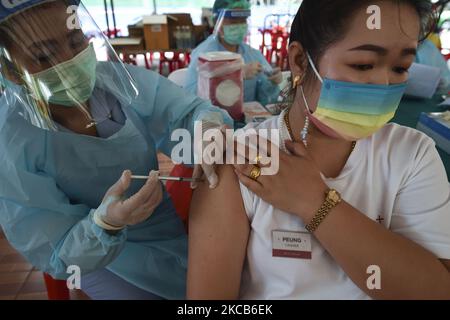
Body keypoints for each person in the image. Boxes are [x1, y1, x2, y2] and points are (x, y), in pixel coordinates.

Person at [187, 0, 450, 300]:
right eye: (363, 64)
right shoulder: (240, 160)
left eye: (401, 68)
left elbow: (438, 290)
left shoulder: (412, 154)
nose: (384, 83)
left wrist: (316, 204)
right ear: (299, 61)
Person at [0, 0, 232, 300]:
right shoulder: (12, 138)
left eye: (75, 41)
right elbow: (55, 248)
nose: (70, 60)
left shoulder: (117, 83)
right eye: (44, 56)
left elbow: (184, 111)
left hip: (162, 227)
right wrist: (105, 225)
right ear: (10, 69)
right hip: (96, 257)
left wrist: (206, 128)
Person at [185, 0, 282, 107]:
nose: (239, 26)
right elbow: (192, 98)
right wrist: (236, 76)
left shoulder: (252, 54)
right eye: (233, 22)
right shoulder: (204, 55)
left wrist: (272, 83)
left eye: (243, 21)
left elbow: (267, 101)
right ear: (218, 22)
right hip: (213, 119)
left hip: (247, 119)